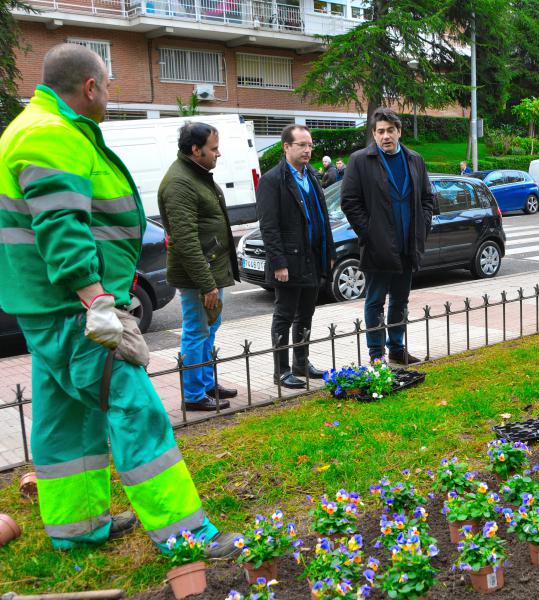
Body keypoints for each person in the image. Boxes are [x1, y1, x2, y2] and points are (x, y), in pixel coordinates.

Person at [0, 43, 238, 556]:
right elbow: (61, 226)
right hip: (73, 309)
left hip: (47, 306)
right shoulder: (50, 135)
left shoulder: (34, 128)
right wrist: (96, 301)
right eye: (107, 85)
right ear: (90, 86)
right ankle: (186, 533)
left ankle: (77, 526)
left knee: (63, 416)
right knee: (134, 407)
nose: (109, 94)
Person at [341, 107, 434, 364]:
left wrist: (422, 227)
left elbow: (427, 198)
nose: (385, 136)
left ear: (399, 132)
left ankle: (396, 348)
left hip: (408, 245)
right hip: (377, 247)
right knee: (375, 301)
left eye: (390, 130)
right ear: (374, 134)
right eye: (380, 131)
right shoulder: (361, 160)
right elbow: (349, 202)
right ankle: (376, 354)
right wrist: (370, 233)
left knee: (400, 300)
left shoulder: (414, 159)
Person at [158, 122, 240, 411]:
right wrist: (206, 284)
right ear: (196, 149)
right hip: (198, 276)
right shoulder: (180, 182)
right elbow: (185, 240)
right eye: (213, 148)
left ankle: (206, 383)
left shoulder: (196, 174)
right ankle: (194, 395)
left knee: (209, 327)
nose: (218, 154)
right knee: (196, 330)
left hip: (211, 269)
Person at [257, 125, 335, 389]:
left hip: (312, 258)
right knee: (284, 315)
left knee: (306, 314)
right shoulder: (272, 180)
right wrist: (278, 262)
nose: (307, 150)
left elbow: (322, 218)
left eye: (310, 145)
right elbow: (269, 226)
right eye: (301, 145)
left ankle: (302, 362)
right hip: (289, 262)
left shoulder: (311, 175)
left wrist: (330, 254)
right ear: (286, 147)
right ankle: (281, 371)